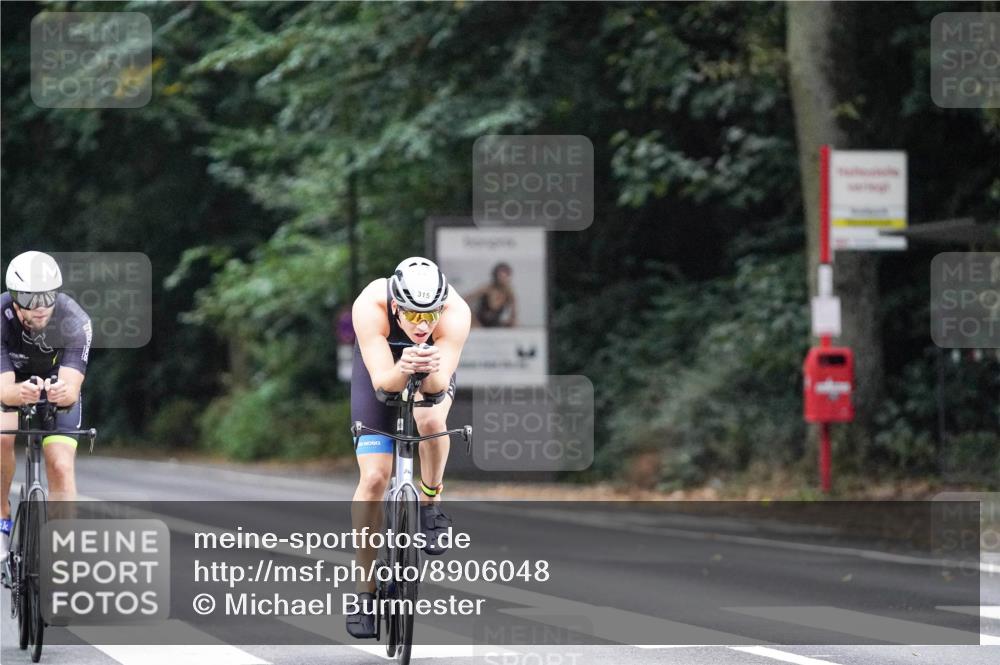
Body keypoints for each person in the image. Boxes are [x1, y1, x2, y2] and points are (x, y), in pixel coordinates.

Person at [346, 256, 470, 639]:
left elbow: (435, 389)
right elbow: (384, 383)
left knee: (430, 420)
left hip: (432, 370)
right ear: (396, 305)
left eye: (429, 315)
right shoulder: (371, 305)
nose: (422, 325)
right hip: (382, 369)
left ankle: (431, 503)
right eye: (413, 315)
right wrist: (404, 367)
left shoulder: (455, 312)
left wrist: (428, 368)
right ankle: (364, 594)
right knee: (374, 478)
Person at [1, 251, 92, 570]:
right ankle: (2, 519)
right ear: (14, 299)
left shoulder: (75, 320)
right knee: (2, 438)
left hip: (55, 383)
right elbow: (4, 390)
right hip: (9, 380)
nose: (40, 305)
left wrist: (61, 392)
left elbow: (70, 390)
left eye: (47, 296)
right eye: (29, 297)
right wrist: (18, 393)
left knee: (61, 465)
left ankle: (63, 558)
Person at [466, 262, 517, 328]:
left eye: (506, 276)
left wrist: (512, 322)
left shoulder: (509, 293)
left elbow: (514, 314)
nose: (503, 278)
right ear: (496, 275)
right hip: (479, 324)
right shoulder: (487, 289)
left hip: (495, 324)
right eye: (501, 275)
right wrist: (473, 320)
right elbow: (465, 300)